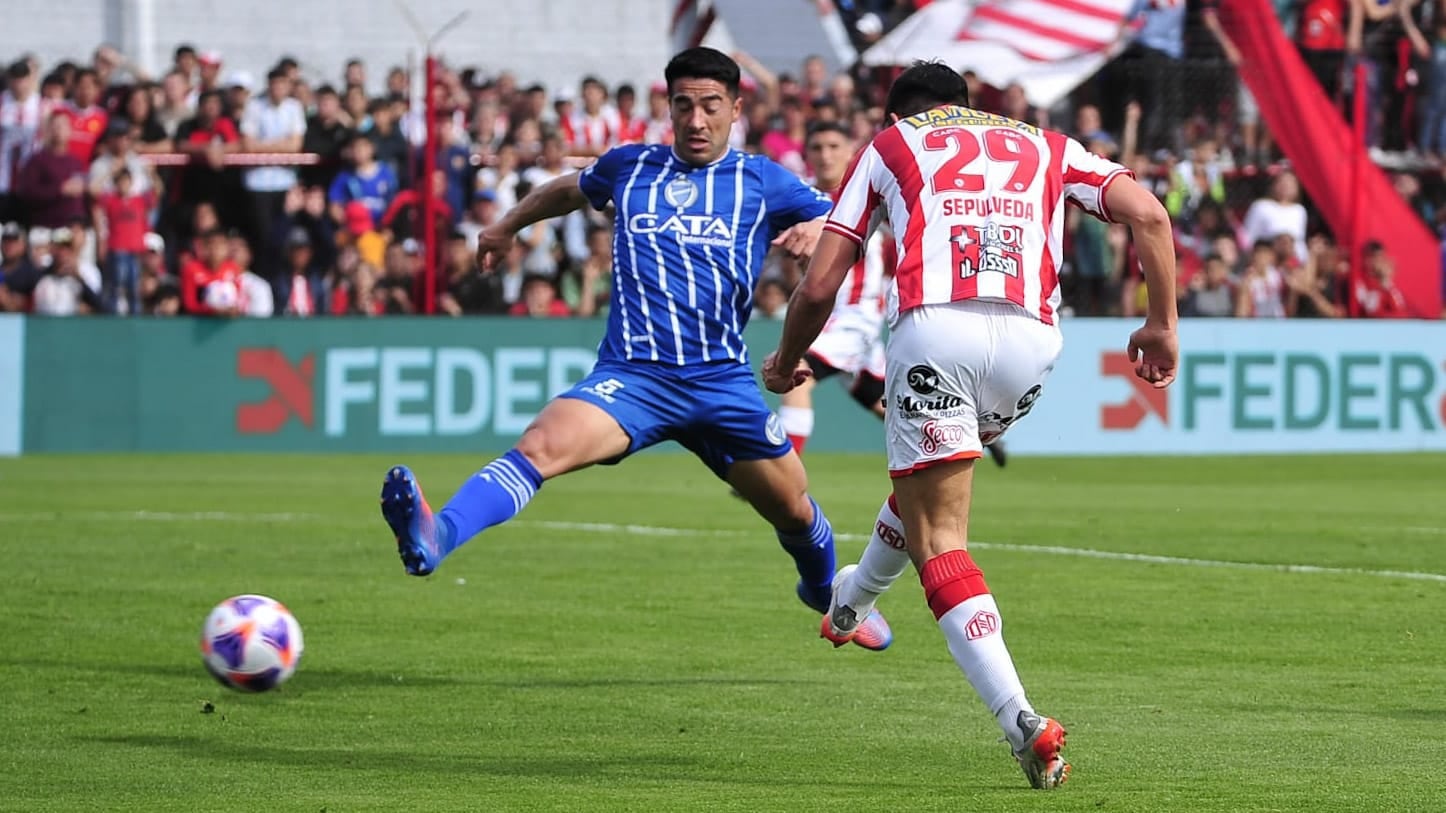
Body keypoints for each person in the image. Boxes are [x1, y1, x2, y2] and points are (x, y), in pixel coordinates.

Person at [377, 47, 892, 651]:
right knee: (540, 445)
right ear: (667, 107)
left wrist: (822, 221)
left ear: (735, 109)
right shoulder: (631, 167)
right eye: (684, 106)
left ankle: (828, 592)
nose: (696, 120)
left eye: (710, 107)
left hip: (720, 385)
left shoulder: (763, 179)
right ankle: (437, 538)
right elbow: (568, 190)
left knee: (796, 510)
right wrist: (505, 225)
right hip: (632, 379)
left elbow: (864, 218)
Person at [762, 62, 1179, 789]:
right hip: (1033, 345)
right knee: (931, 486)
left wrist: (787, 358)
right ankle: (852, 599)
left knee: (939, 538)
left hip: (937, 330)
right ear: (966, 105)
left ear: (901, 115)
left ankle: (1021, 717)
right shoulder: (1046, 142)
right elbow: (1150, 214)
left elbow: (822, 282)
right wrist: (1161, 324)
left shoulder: (891, 145)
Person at [776, 121, 1009, 465]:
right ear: (807, 154)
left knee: (796, 374)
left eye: (833, 146)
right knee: (887, 404)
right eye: (817, 148)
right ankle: (968, 435)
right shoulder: (800, 200)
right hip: (829, 317)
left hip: (854, 317)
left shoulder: (869, 191)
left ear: (850, 150)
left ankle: (782, 468)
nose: (825, 156)